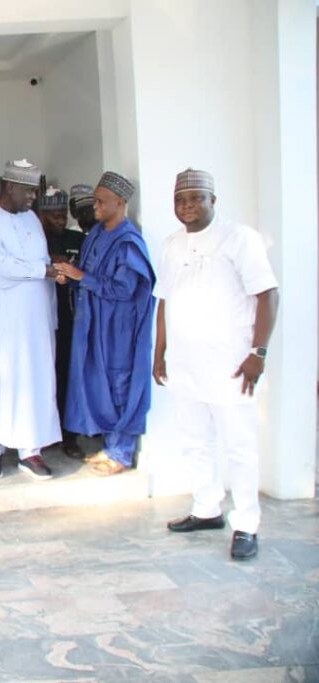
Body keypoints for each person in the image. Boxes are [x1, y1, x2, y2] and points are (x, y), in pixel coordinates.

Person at [154, 168, 279, 561]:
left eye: (195, 198)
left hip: (230, 363)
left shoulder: (240, 238)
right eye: (180, 199)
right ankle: (207, 508)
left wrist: (257, 352)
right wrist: (159, 353)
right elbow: (163, 301)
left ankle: (246, 523)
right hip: (187, 363)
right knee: (195, 440)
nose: (187, 206)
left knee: (239, 446)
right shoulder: (172, 243)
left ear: (213, 201)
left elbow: (267, 294)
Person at [56, 171, 156, 476]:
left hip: (117, 327)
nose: (95, 207)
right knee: (98, 381)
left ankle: (121, 453)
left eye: (101, 202)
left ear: (120, 202)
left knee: (118, 382)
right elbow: (85, 273)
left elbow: (125, 289)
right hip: (93, 322)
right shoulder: (98, 233)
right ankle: (110, 446)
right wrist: (69, 277)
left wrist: (81, 277)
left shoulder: (128, 241)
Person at [0, 160, 60, 481]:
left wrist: (50, 312)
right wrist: (39, 271)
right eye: (28, 191)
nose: (32, 198)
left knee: (33, 378)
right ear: (9, 187)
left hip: (33, 320)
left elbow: (42, 263)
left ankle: (30, 451)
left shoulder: (32, 219)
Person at [36, 187, 86, 461]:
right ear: (40, 215)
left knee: (68, 377)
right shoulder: (33, 240)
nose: (59, 219)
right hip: (39, 320)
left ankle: (69, 436)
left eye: (61, 214)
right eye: (52, 214)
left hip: (70, 320)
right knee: (42, 377)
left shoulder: (77, 239)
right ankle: (43, 434)